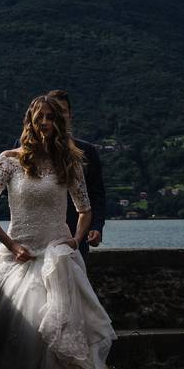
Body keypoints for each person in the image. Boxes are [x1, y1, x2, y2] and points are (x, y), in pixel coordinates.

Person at [0, 94, 117, 369]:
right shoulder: (8, 162)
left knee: (58, 337)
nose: (46, 124)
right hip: (20, 257)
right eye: (41, 118)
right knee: (28, 339)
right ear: (30, 121)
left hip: (57, 257)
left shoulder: (68, 162)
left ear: (59, 123)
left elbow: (84, 208)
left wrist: (75, 239)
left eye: (52, 119)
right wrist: (12, 245)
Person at [45, 89, 105, 262]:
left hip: (75, 236)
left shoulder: (87, 151)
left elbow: (97, 194)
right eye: (52, 112)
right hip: (37, 237)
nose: (57, 117)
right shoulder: (22, 149)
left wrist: (96, 226)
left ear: (70, 115)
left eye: (62, 111)